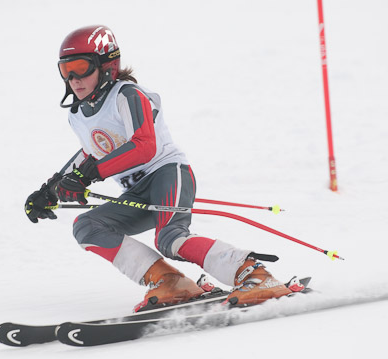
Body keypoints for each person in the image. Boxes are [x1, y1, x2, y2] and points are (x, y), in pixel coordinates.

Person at [24, 25, 292, 309]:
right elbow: (90, 153)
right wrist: (50, 191)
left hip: (167, 174)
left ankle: (255, 274)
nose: (74, 79)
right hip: (136, 192)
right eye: (66, 71)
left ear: (107, 66)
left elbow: (144, 145)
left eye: (81, 67)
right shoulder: (79, 114)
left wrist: (90, 174)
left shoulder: (126, 95)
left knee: (171, 238)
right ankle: (170, 282)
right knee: (88, 226)